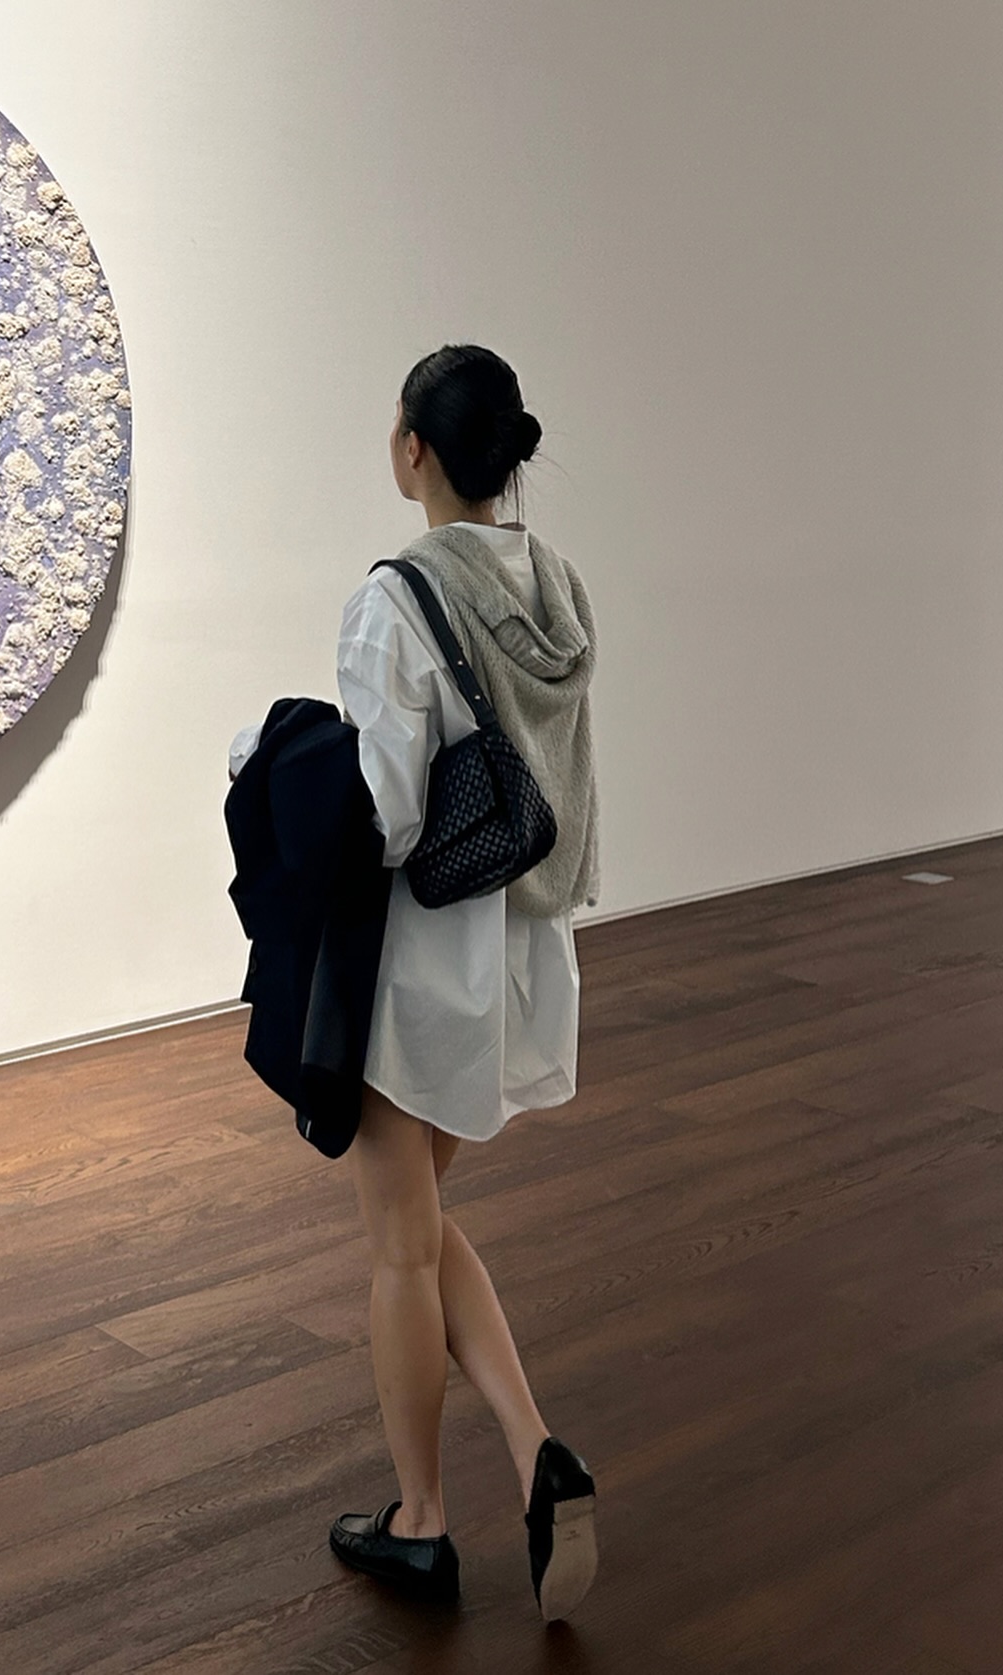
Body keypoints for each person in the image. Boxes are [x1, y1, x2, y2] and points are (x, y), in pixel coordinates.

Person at [230, 344, 600, 1620]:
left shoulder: (396, 597)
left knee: (397, 1246)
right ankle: (535, 1452)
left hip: (424, 968)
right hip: (521, 952)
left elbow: (382, 816)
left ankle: (422, 1520)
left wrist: (270, 752)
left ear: (413, 451)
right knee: (422, 1224)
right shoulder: (554, 586)